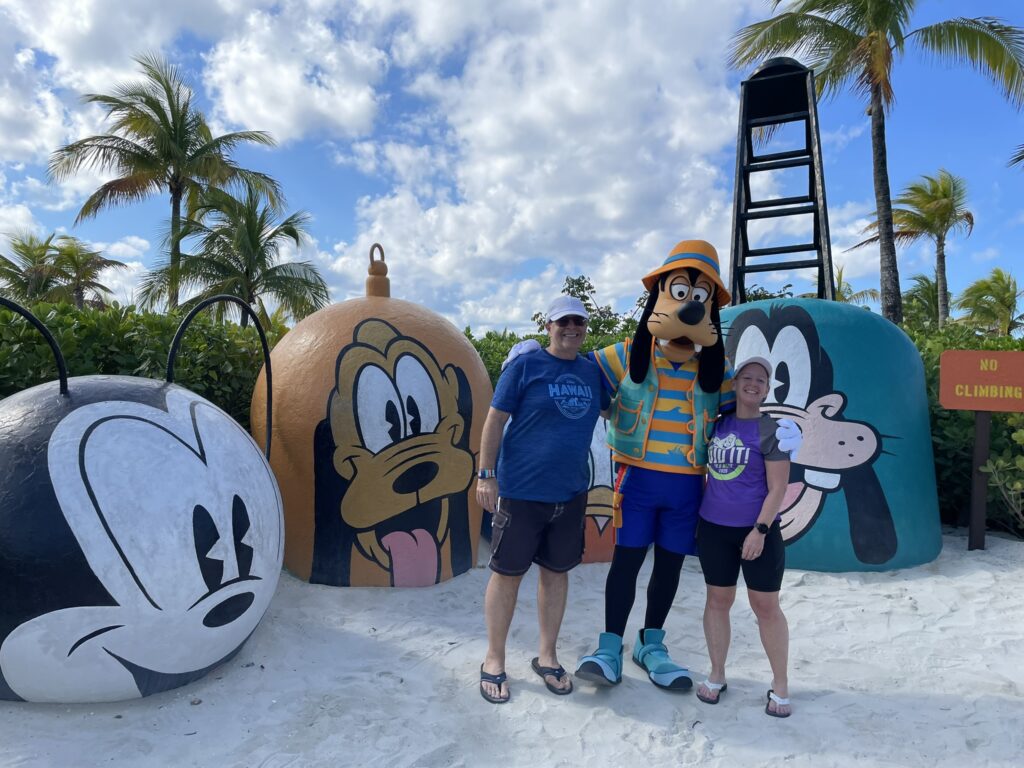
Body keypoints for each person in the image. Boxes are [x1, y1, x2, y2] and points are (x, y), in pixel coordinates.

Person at [477, 295, 609, 704]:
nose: (572, 327)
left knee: (556, 574)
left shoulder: (592, 372)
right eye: (563, 321)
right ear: (548, 326)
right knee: (507, 575)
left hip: (570, 494)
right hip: (521, 492)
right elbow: (495, 420)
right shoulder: (525, 366)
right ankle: (494, 659)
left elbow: (618, 412)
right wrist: (486, 475)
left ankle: (547, 656)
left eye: (579, 322)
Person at [695, 355, 793, 717]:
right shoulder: (717, 424)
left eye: (761, 380)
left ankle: (780, 683)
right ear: (734, 384)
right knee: (717, 601)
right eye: (746, 377)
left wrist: (760, 531)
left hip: (758, 531)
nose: (753, 384)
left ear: (768, 390)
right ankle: (717, 673)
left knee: (765, 607)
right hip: (714, 528)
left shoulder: (773, 430)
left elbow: (778, 488)